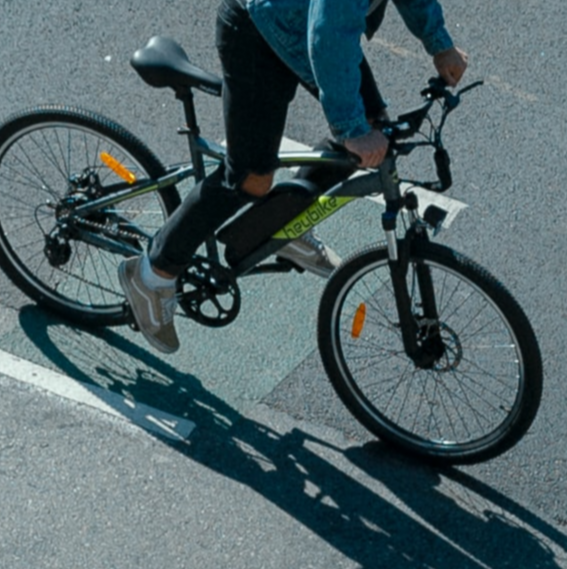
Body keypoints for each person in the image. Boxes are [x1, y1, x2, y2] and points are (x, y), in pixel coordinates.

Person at [118, 0, 470, 354]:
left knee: (369, 134)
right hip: (257, 27)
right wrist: (350, 128)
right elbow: (326, 37)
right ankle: (153, 274)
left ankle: (287, 223)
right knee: (249, 177)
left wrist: (439, 44)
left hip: (306, 20)